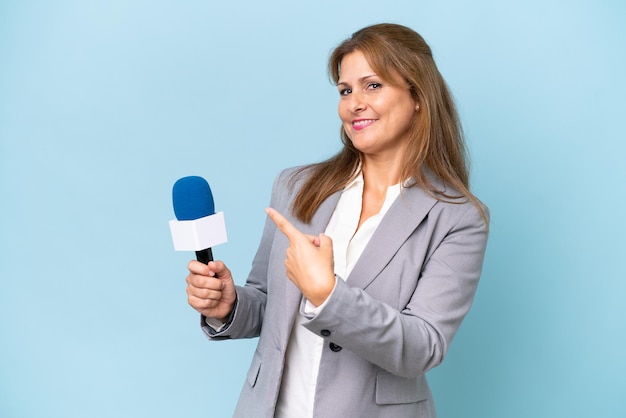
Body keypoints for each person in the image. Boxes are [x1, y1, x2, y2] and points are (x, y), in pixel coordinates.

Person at [185, 23, 489, 418]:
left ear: (418, 96)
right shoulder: (296, 187)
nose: (354, 103)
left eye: (373, 85)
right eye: (345, 90)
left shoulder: (457, 217)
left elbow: (423, 347)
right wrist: (229, 305)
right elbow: (266, 303)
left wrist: (328, 294)